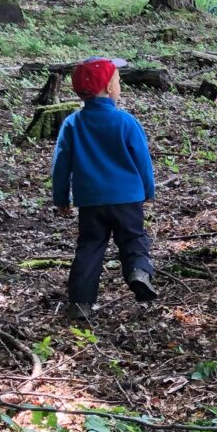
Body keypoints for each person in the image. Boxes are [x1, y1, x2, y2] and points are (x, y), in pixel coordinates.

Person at [51, 58, 157, 321]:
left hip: (91, 201)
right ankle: (138, 272)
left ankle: (80, 303)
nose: (119, 86)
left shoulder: (73, 124)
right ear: (109, 88)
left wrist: (61, 196)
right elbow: (142, 159)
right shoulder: (125, 122)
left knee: (90, 247)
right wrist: (148, 190)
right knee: (132, 238)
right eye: (118, 81)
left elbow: (61, 164)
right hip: (127, 198)